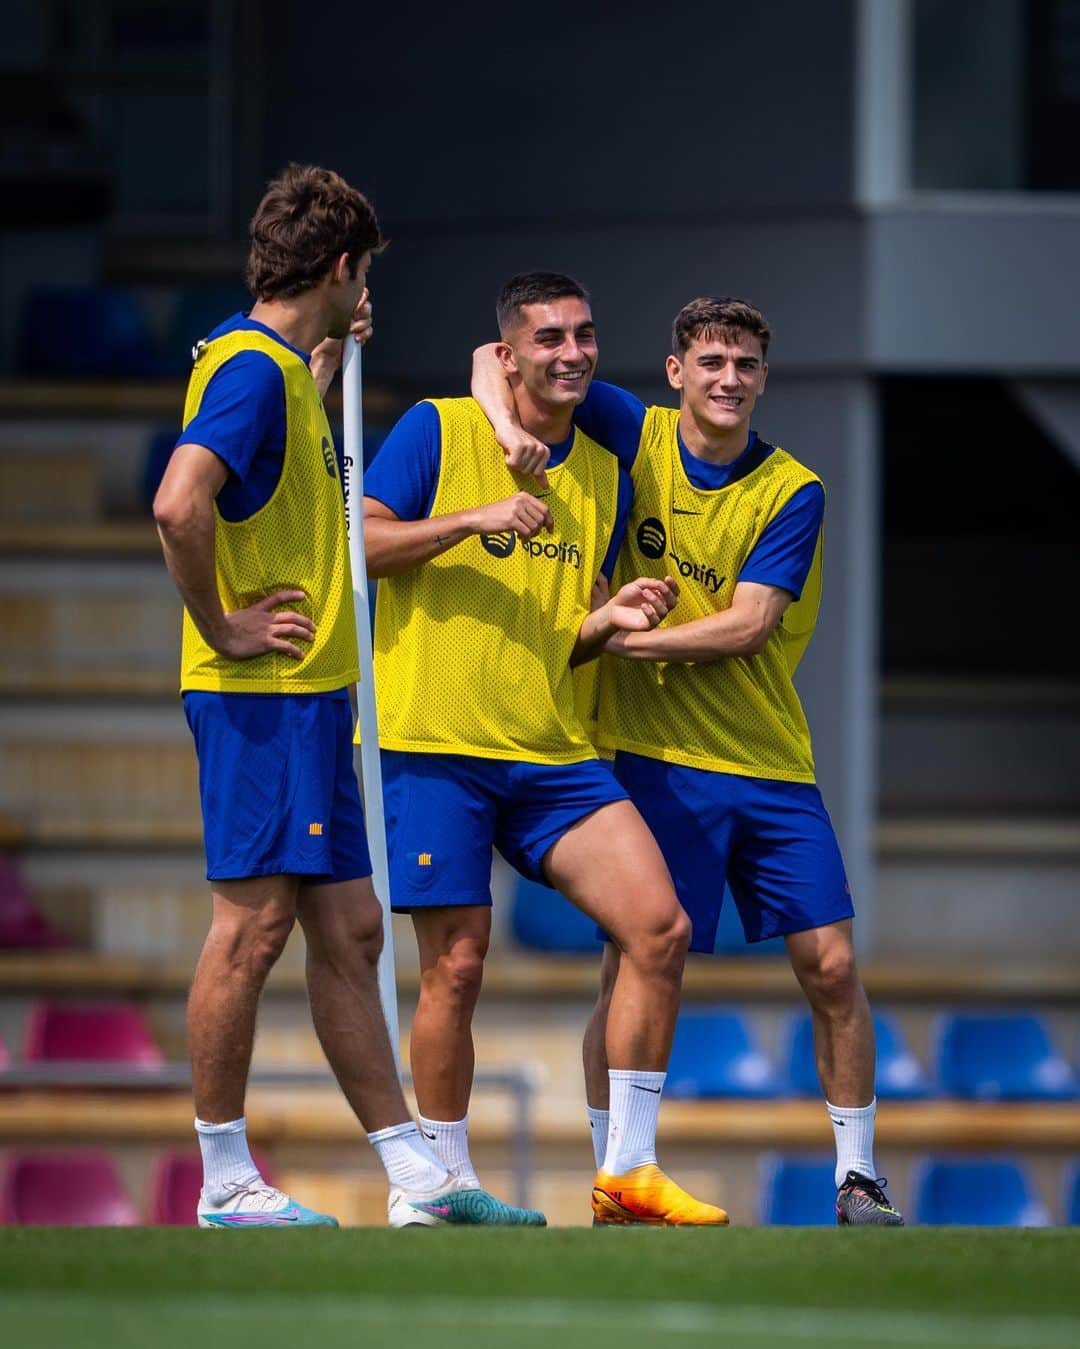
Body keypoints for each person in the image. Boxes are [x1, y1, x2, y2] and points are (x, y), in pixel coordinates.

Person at [472, 295, 905, 1226]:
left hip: (769, 760)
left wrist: (619, 641)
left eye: (746, 364)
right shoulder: (640, 432)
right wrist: (511, 434)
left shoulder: (794, 489)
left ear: (761, 378)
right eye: (712, 361)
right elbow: (489, 356)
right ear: (677, 373)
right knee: (632, 963)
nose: (729, 379)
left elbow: (750, 625)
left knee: (831, 964)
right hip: (655, 755)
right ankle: (618, 1172)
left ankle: (857, 1176)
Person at [154, 164, 530, 1229]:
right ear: (340, 265)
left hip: (313, 697)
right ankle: (225, 1179)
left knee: (354, 927)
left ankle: (417, 1173)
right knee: (251, 930)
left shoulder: (280, 369)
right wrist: (223, 624)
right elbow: (179, 503)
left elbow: (274, 475)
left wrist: (327, 357)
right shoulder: (247, 371)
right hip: (260, 689)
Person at [363, 271, 728, 1226]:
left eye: (585, 335)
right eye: (550, 337)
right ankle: (439, 1186)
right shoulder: (438, 429)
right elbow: (358, 544)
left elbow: (551, 626)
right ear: (508, 353)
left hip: (554, 752)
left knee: (660, 925)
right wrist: (471, 520)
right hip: (434, 739)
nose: (572, 352)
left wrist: (604, 621)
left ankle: (627, 1175)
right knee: (458, 964)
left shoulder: (606, 473)